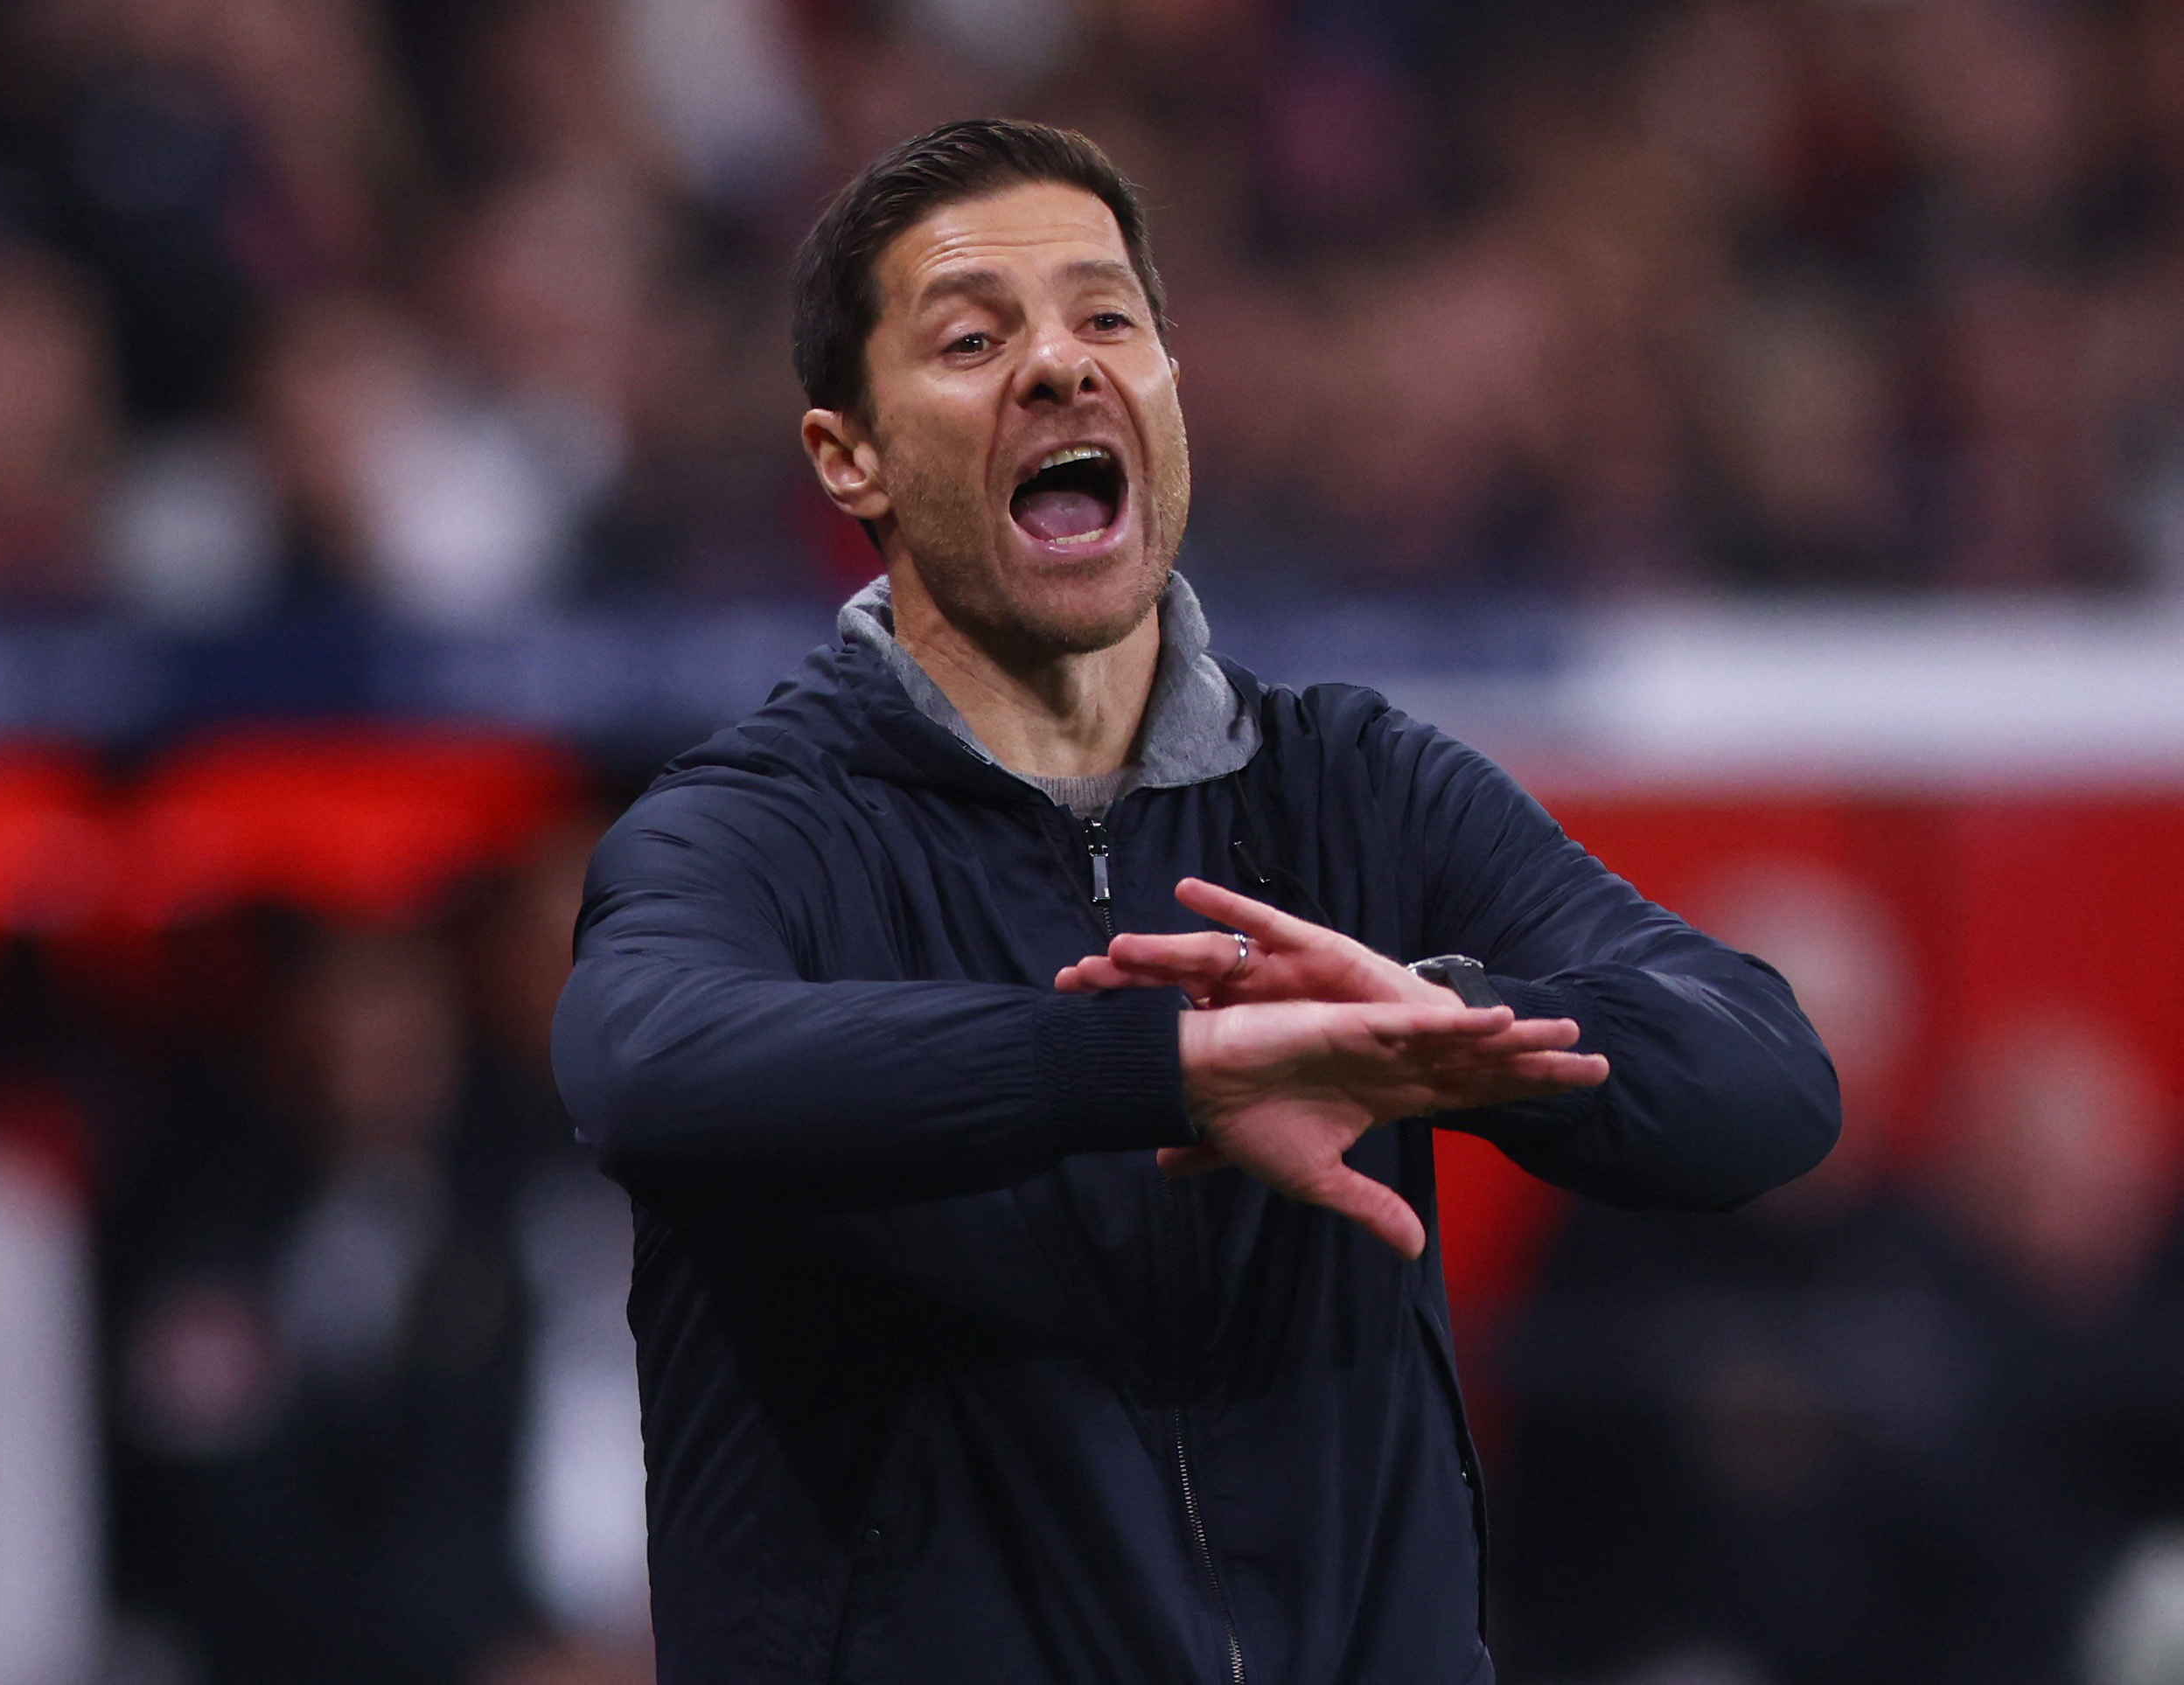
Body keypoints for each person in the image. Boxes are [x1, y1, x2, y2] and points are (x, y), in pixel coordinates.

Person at [552, 118, 1839, 1684]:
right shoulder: (753, 828)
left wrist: (1406, 1027)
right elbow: (648, 1066)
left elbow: (1763, 1074)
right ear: (850, 458)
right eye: (973, 338)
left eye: (1108, 319)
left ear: (1171, 393)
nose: (1058, 366)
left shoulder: (1362, 784)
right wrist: (1155, 1070)